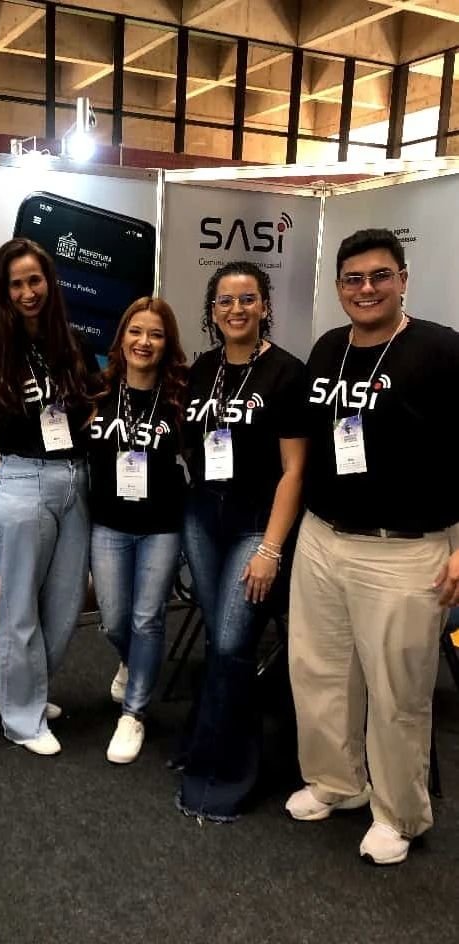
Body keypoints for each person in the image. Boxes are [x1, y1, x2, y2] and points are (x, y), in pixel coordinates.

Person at [285, 228, 459, 865]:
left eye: (380, 276)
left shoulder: (441, 350)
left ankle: (399, 814)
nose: (367, 289)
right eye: (353, 279)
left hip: (404, 550)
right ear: (338, 287)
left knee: (398, 693)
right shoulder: (328, 348)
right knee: (318, 672)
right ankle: (337, 782)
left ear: (403, 279)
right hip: (323, 537)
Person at [177, 260, 307, 822]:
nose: (236, 309)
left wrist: (271, 549)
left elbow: (295, 470)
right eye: (226, 301)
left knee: (232, 645)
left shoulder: (286, 372)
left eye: (247, 299)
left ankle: (224, 775)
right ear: (213, 311)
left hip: (257, 523)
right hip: (204, 518)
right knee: (219, 641)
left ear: (264, 306)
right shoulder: (203, 369)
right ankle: (201, 743)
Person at [0, 237, 97, 756]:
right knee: (18, 607)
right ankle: (20, 719)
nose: (27, 292)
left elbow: (89, 401)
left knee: (64, 604)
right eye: (16, 284)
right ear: (4, 290)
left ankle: (22, 690)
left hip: (75, 480)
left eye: (35, 280)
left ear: (49, 283)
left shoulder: (71, 341)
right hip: (22, 481)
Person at [87, 297, 188, 763]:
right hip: (109, 524)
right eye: (136, 331)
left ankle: (134, 714)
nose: (144, 342)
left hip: (161, 526)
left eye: (156, 334)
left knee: (148, 619)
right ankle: (133, 661)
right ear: (122, 337)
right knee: (114, 619)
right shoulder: (97, 392)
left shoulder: (179, 397)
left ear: (167, 344)